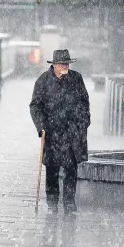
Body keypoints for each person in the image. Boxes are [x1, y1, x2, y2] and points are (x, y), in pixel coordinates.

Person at [29, 49, 91, 215]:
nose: (65, 66)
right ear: (54, 65)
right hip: (52, 132)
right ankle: (52, 203)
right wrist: (41, 126)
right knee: (52, 169)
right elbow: (35, 106)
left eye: (67, 63)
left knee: (71, 169)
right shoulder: (43, 81)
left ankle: (69, 203)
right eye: (62, 63)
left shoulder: (76, 79)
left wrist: (83, 122)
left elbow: (84, 102)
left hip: (72, 133)